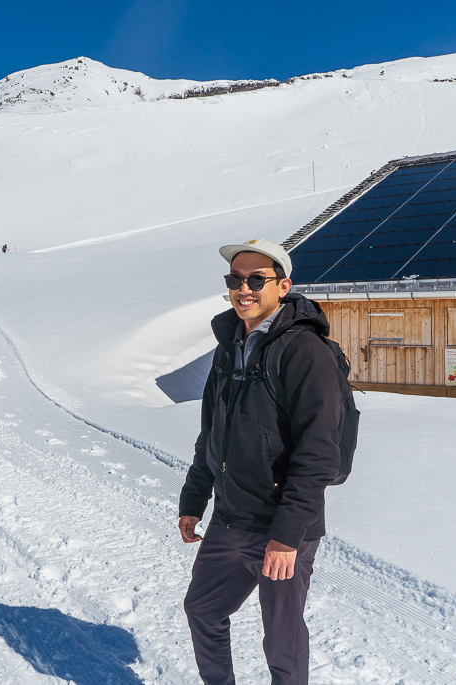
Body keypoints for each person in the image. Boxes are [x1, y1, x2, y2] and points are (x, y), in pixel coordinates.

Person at [178, 238, 345, 685]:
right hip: (230, 520)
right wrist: (194, 498)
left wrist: (287, 536)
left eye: (256, 279)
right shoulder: (229, 346)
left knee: (282, 641)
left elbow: (320, 453)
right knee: (203, 610)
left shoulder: (304, 351)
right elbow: (211, 432)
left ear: (283, 285)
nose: (243, 288)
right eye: (235, 279)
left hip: (281, 529)